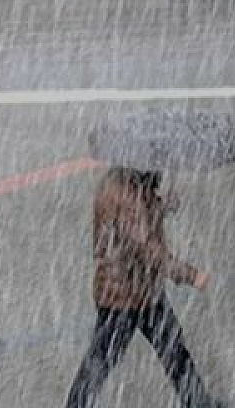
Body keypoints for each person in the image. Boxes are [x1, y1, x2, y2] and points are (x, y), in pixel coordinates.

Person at [66, 166, 225, 408]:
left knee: (173, 350)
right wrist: (191, 275)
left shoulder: (126, 184)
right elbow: (149, 249)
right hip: (123, 299)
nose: (161, 171)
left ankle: (197, 402)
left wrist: (161, 205)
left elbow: (135, 222)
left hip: (142, 291)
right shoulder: (127, 196)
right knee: (101, 361)